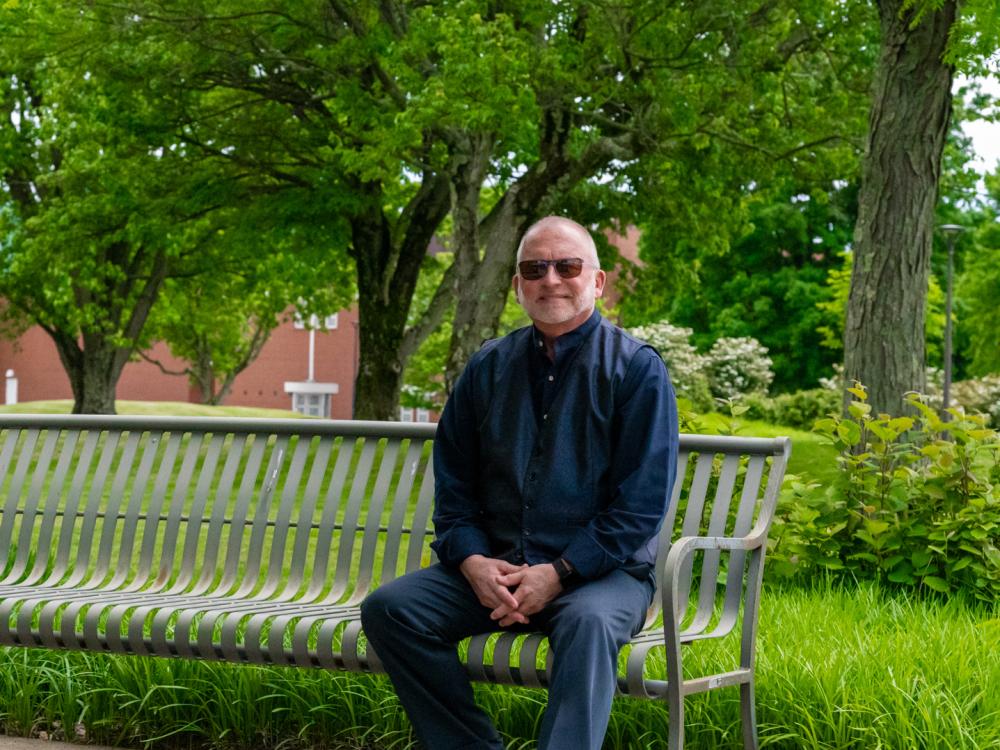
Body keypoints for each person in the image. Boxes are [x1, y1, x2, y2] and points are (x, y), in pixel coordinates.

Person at [361, 216, 678, 750]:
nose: (551, 279)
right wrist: (473, 563)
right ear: (517, 286)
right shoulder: (487, 368)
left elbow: (639, 508)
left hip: (601, 577)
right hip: (498, 570)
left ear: (597, 282)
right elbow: (454, 490)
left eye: (568, 265)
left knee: (589, 626)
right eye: (535, 268)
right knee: (391, 610)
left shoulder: (637, 371)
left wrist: (557, 572)